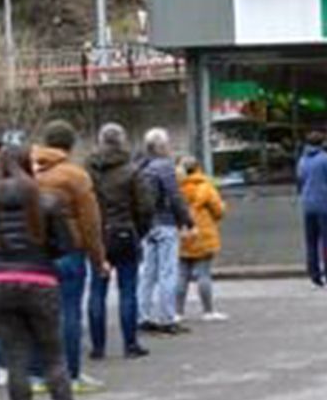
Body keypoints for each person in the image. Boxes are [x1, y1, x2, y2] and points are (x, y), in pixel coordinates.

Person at [0, 143, 99, 400]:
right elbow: (63, 246)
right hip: (39, 281)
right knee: (53, 356)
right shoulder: (47, 202)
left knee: (16, 359)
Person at [32, 121, 110, 393]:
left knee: (39, 315)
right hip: (68, 252)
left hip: (34, 254)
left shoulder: (27, 172)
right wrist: (98, 259)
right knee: (69, 312)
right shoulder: (75, 176)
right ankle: (71, 375)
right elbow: (91, 223)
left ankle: (39, 376)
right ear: (71, 145)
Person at [86, 123, 149, 359]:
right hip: (124, 232)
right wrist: (139, 231)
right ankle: (130, 343)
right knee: (128, 290)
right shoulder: (131, 171)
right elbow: (145, 206)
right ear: (122, 141)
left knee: (96, 291)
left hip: (98, 233)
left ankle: (98, 346)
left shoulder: (88, 170)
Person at [136, 128, 194, 336]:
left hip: (146, 225)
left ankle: (143, 316)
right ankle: (167, 318)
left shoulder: (141, 166)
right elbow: (175, 196)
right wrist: (187, 221)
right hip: (165, 223)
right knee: (168, 271)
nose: (170, 147)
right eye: (168, 144)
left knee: (148, 273)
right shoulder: (164, 167)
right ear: (161, 146)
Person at [176, 157, 228, 321]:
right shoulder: (205, 187)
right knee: (203, 274)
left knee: (182, 274)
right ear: (198, 168)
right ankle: (208, 311)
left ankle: (178, 312)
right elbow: (218, 211)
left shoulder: (176, 188)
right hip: (202, 233)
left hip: (182, 233)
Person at [297, 132, 327, 287]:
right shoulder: (326, 159)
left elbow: (300, 179)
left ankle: (314, 273)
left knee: (311, 241)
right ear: (322, 143)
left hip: (308, 205)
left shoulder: (303, 159)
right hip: (326, 205)